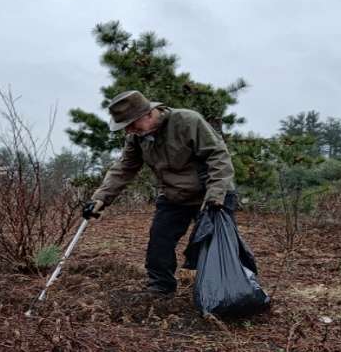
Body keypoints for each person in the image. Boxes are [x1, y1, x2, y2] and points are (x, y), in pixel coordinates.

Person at [82, 90, 237, 295]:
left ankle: (222, 291)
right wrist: (100, 199)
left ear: (148, 113)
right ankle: (161, 287)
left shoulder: (187, 121)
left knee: (210, 245)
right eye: (124, 126)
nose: (129, 130)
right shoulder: (137, 137)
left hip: (210, 193)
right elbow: (124, 168)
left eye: (131, 123)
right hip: (174, 195)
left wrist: (216, 196)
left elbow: (218, 157)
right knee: (159, 241)